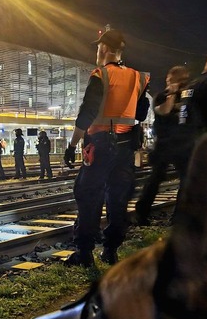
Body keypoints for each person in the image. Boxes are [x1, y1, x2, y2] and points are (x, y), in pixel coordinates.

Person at [63, 29, 150, 266]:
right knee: (118, 199)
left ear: (104, 49)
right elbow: (141, 112)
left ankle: (85, 253)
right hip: (125, 149)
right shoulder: (138, 77)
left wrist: (71, 145)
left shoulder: (100, 74)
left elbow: (87, 114)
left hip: (100, 146)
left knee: (89, 196)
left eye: (98, 47)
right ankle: (110, 250)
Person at [133, 65, 192, 225]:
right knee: (155, 178)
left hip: (182, 144)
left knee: (187, 180)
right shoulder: (161, 97)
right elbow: (164, 111)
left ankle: (178, 216)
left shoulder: (187, 97)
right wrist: (172, 93)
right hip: (164, 144)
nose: (183, 84)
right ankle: (141, 213)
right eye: (180, 80)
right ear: (170, 80)